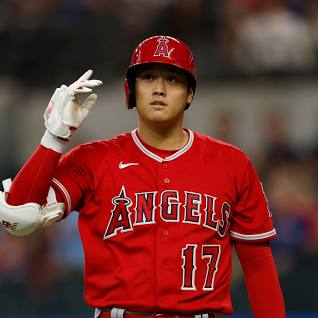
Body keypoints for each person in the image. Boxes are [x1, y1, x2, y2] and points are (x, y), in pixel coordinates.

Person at [0, 35, 285, 317]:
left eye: (172, 79)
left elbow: (258, 263)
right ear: (131, 90)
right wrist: (53, 138)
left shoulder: (232, 164)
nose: (159, 88)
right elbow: (17, 215)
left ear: (190, 93)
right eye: (148, 77)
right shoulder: (92, 160)